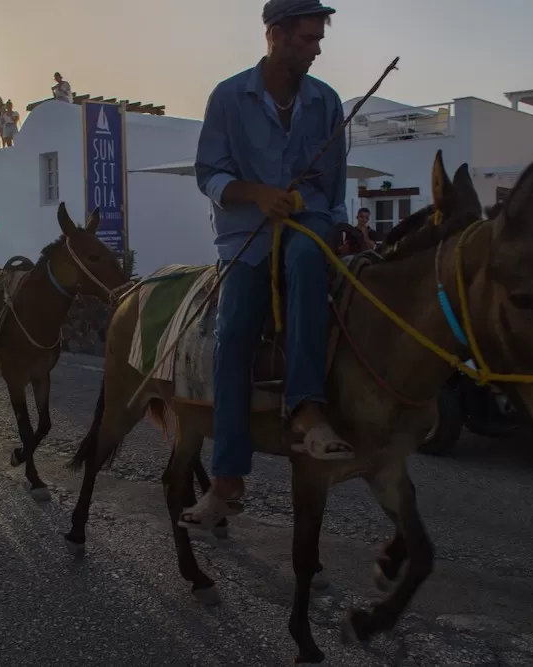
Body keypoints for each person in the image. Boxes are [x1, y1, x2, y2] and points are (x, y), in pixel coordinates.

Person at [181, 0, 349, 530]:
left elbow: (334, 186)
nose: (317, 48)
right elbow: (208, 173)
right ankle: (227, 479)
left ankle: (307, 407)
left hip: (308, 225)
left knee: (304, 255)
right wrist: (257, 194)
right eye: (307, 38)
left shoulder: (328, 102)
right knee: (232, 338)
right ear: (274, 36)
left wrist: (326, 219)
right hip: (246, 238)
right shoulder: (228, 97)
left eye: (319, 38)